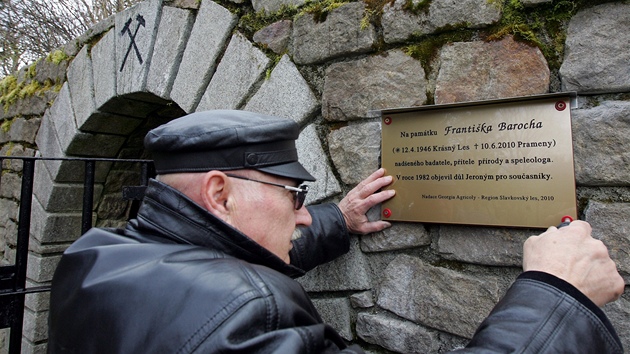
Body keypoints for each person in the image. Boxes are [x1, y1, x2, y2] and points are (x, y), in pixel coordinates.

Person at [47, 110, 624, 353]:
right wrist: (558, 296)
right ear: (220, 193)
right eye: (295, 196)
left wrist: (336, 219)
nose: (303, 212)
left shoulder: (95, 259)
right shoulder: (245, 318)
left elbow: (224, 249)